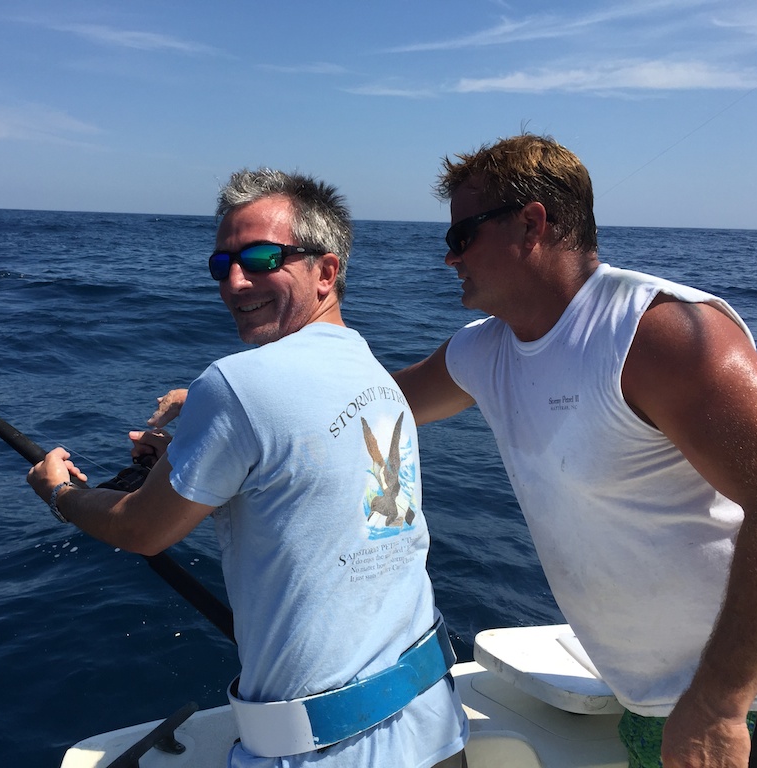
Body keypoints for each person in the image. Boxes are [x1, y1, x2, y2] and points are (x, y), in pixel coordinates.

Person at [27, 168, 468, 767]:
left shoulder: (235, 383)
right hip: (435, 728)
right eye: (222, 263)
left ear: (327, 271)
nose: (235, 281)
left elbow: (140, 529)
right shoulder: (371, 373)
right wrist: (185, 464)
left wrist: (60, 494)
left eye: (262, 258)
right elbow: (308, 477)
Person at [391, 133, 757, 768]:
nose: (449, 258)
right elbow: (378, 404)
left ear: (531, 224)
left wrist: (721, 702)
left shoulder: (658, 335)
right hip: (651, 702)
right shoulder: (484, 350)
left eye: (461, 236)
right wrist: (213, 408)